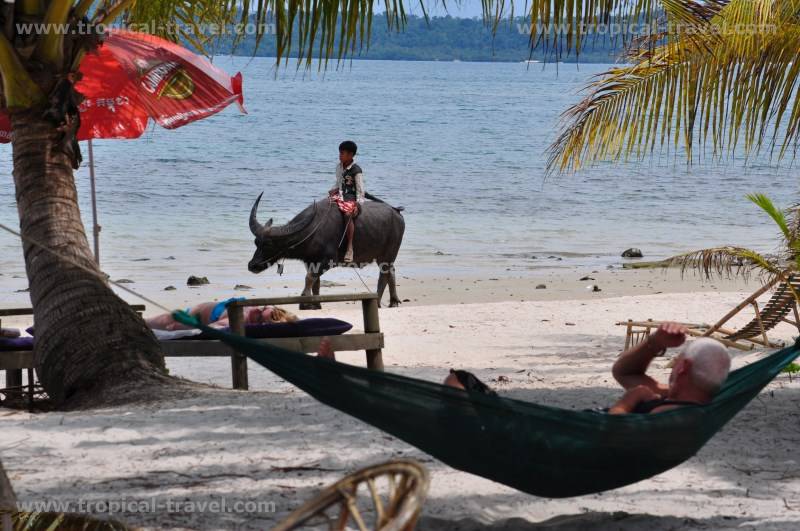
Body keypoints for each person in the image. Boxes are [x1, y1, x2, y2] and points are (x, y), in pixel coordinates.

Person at [609, 322, 731, 414]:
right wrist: (655, 343)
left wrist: (628, 401)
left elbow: (613, 433)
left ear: (683, 367)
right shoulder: (696, 397)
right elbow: (625, 373)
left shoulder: (667, 413)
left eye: (677, 360)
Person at [146, 299, 297, 331]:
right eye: (263, 308)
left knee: (145, 323)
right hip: (195, 311)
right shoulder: (256, 309)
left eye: (258, 317)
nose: (256, 310)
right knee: (144, 321)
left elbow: (213, 327)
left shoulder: (241, 319)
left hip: (189, 318)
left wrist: (179, 325)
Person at [329, 140, 365, 263]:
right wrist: (333, 190)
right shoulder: (339, 167)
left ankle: (350, 247)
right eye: (339, 153)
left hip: (352, 199)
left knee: (348, 214)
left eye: (342, 153)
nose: (340, 155)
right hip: (340, 196)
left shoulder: (356, 170)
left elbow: (360, 190)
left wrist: (357, 205)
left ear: (351, 155)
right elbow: (338, 182)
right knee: (325, 206)